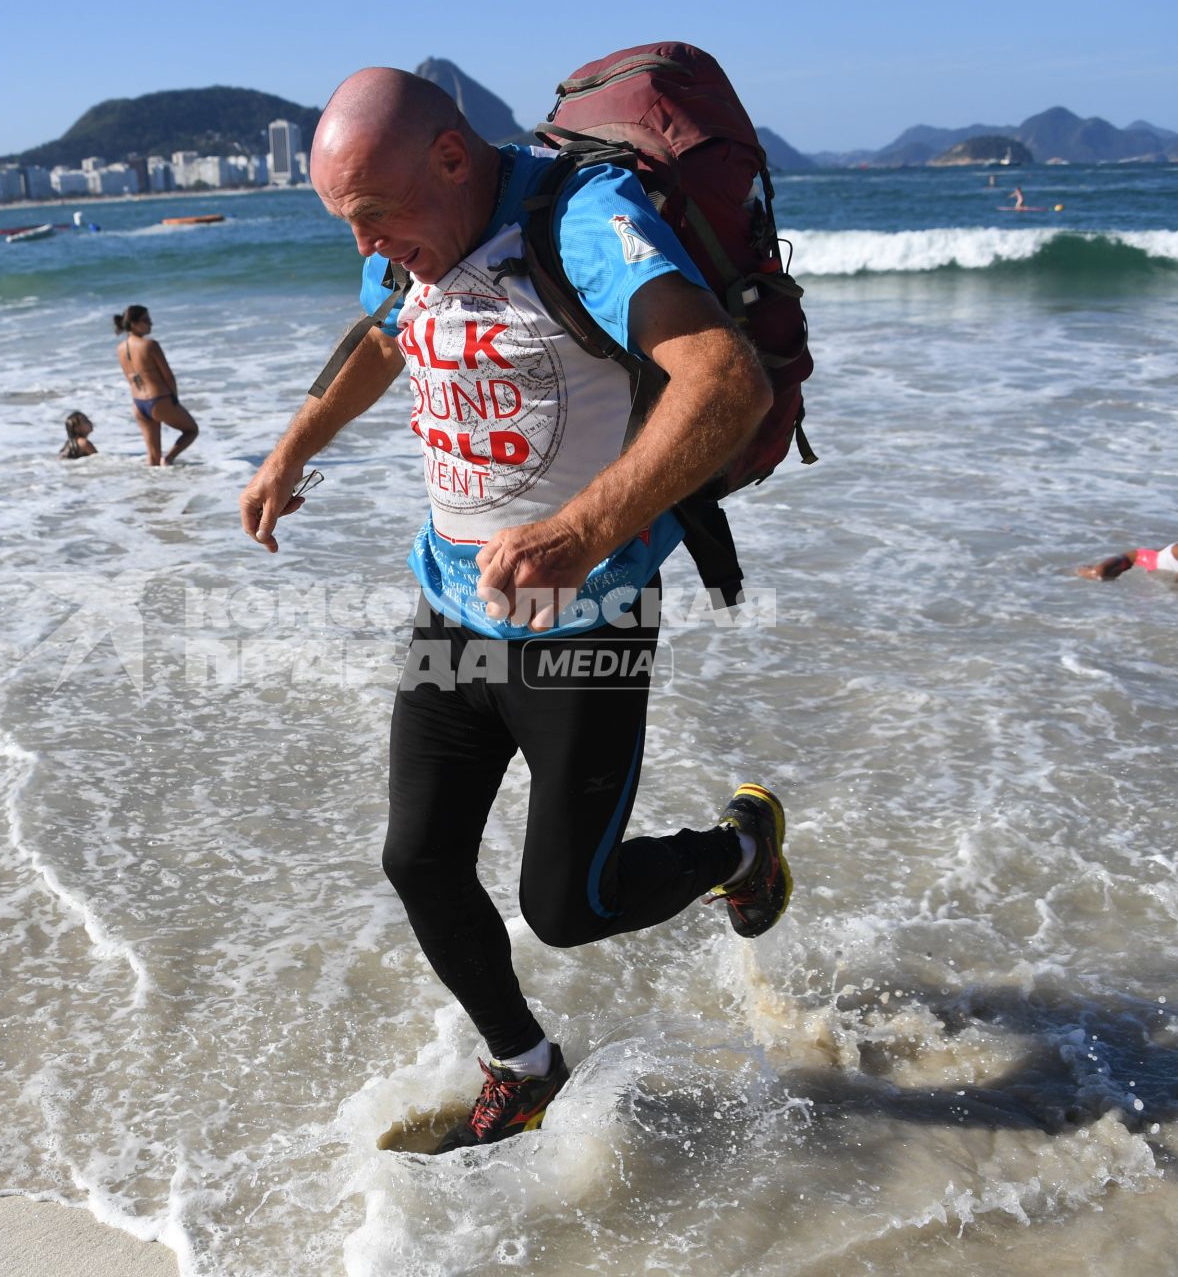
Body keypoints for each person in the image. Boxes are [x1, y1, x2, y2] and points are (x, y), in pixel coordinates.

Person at [238, 68, 793, 1154]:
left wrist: (578, 535)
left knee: (568, 905)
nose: (367, 249)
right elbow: (385, 334)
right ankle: (525, 1065)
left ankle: (739, 848)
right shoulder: (420, 248)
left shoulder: (583, 222)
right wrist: (292, 447)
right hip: (453, 608)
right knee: (419, 859)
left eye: (373, 217)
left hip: (583, 625)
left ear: (452, 159)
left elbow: (726, 382)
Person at [114, 305, 199, 466]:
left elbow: (129, 378)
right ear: (133, 323)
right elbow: (168, 375)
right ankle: (169, 458)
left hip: (138, 404)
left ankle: (153, 489)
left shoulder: (120, 348)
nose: (151, 324)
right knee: (191, 430)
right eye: (146, 320)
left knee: (152, 458)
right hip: (159, 399)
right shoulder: (149, 345)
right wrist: (175, 398)